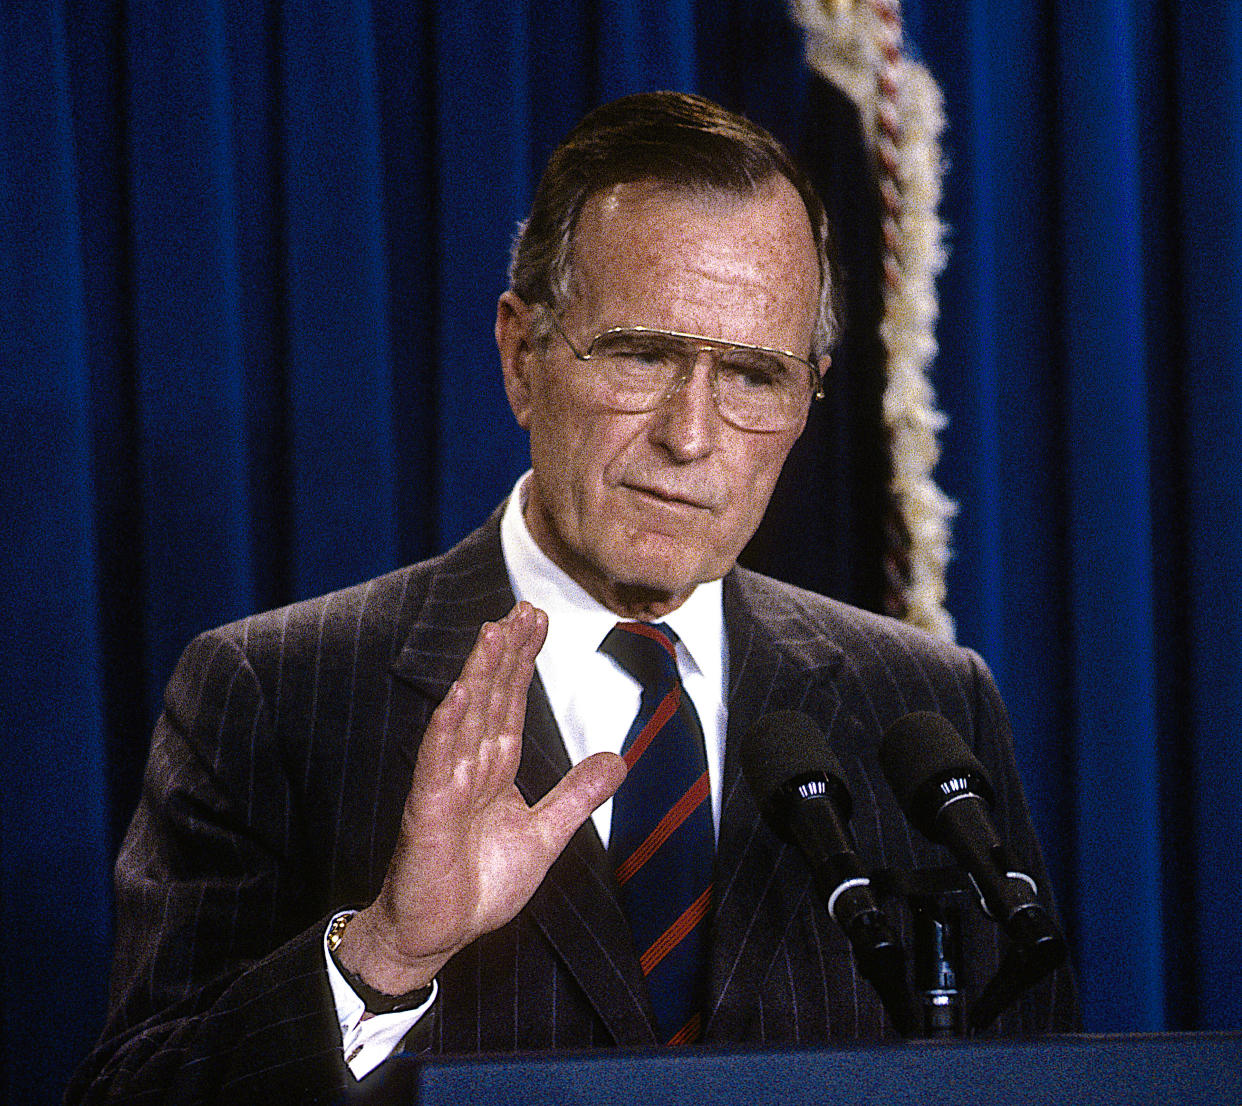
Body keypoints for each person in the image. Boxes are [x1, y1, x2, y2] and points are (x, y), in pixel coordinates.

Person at [68, 91, 1077, 1104]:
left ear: (808, 394)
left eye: (753, 376)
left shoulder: (927, 707)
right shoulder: (274, 693)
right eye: (643, 355)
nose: (692, 435)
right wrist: (382, 953)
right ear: (521, 357)